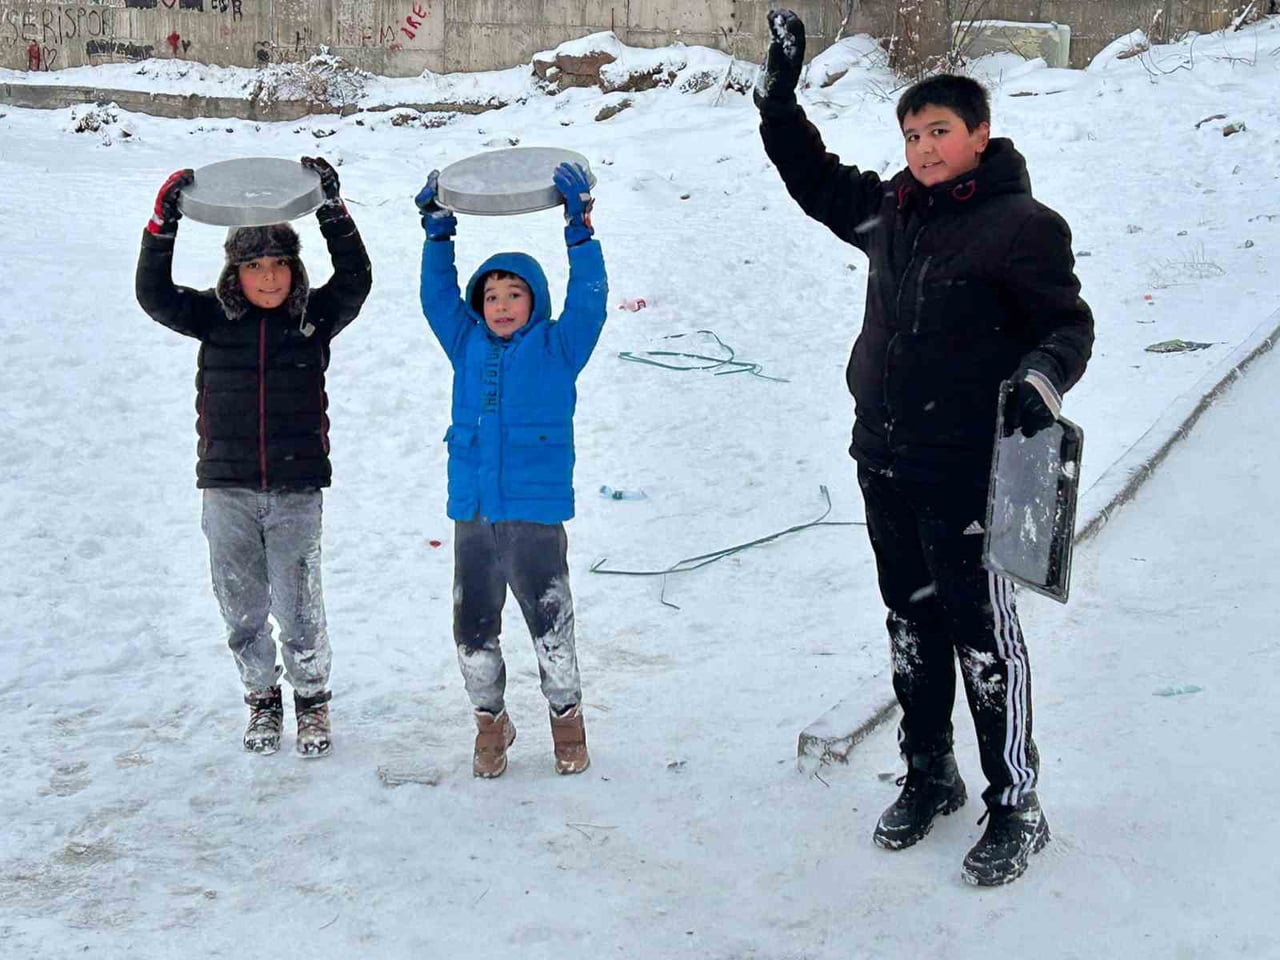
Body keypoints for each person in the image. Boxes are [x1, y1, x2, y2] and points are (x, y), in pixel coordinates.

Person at [756, 11, 1094, 886]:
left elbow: (1065, 325)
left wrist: (1040, 382)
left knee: (984, 638)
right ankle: (930, 773)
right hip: (888, 459)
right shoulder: (890, 214)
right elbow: (814, 179)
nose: (923, 146)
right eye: (911, 133)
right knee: (912, 624)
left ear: (979, 135)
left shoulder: (1022, 225)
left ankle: (1016, 802)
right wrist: (778, 102)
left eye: (939, 130)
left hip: (970, 471)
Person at [135, 157, 372, 758]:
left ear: (295, 269)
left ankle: (312, 702)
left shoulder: (313, 318)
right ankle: (261, 700)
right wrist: (163, 225)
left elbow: (356, 278)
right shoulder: (213, 319)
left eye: (279, 264)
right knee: (241, 605)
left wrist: (329, 210)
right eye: (254, 266)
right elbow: (154, 295)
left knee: (298, 606)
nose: (268, 277)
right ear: (234, 273)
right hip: (227, 487)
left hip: (295, 488)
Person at [415, 162, 607, 778]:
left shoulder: (557, 348)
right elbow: (436, 297)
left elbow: (590, 302)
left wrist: (579, 231)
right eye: (490, 296)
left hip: (534, 516)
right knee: (472, 630)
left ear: (535, 301)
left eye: (514, 294)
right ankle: (490, 722)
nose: (500, 306)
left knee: (550, 623)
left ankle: (566, 718)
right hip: (474, 514)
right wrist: (437, 235)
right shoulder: (466, 344)